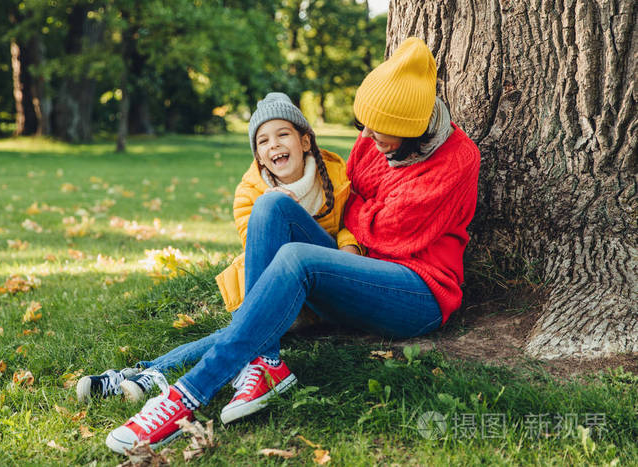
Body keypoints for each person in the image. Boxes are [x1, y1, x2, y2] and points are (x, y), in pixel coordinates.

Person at [95, 36, 480, 454]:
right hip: (353, 272)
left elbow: (390, 232)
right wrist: (365, 211)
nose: (366, 135)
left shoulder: (457, 159)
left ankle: (185, 394)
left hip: (417, 291)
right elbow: (357, 200)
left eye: (379, 128)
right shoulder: (376, 140)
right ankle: (260, 363)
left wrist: (362, 212)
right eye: (362, 125)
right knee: (271, 206)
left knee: (297, 261)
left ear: (411, 127)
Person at [76, 93, 360, 408]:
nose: (274, 145)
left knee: (242, 332)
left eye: (283, 134)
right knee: (240, 331)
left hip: (325, 280)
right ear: (259, 156)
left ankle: (145, 375)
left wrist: (348, 248)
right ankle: (142, 374)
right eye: (263, 141)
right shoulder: (249, 194)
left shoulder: (336, 175)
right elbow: (260, 250)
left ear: (305, 141)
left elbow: (353, 220)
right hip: (279, 286)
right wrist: (280, 208)